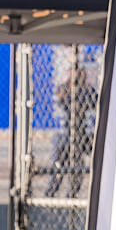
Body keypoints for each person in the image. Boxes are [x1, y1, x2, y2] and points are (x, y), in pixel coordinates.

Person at [45, 67, 97, 198]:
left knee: (78, 161)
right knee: (59, 160)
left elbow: (92, 103)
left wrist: (81, 104)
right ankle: (52, 190)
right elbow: (62, 100)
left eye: (79, 72)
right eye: (73, 72)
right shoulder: (65, 89)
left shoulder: (88, 91)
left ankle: (72, 193)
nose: (76, 76)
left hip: (82, 135)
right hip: (67, 134)